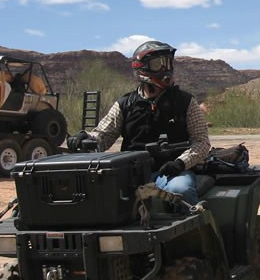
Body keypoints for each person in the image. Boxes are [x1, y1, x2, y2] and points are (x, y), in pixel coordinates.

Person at [66, 40, 211, 209]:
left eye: (168, 63)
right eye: (158, 64)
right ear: (142, 68)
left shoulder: (186, 102)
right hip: (130, 174)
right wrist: (87, 138)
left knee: (180, 190)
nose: (166, 69)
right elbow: (104, 135)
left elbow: (202, 142)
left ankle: (189, 232)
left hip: (171, 172)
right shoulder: (125, 104)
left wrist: (180, 163)